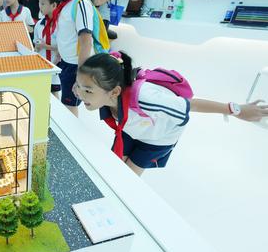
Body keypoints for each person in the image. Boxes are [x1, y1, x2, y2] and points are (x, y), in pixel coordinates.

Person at [74, 51, 268, 176]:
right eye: (79, 86)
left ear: (115, 91)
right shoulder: (106, 96)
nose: (80, 94)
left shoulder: (146, 98)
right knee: (114, 170)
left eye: (88, 90)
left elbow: (190, 105)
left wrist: (238, 110)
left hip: (156, 139)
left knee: (127, 177)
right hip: (130, 128)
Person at [50, 0, 97, 117]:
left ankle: (72, 139)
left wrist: (80, 76)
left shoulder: (81, 3)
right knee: (66, 103)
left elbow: (86, 42)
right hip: (67, 62)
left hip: (76, 66)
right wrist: (59, 55)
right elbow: (66, 34)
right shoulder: (66, 0)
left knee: (69, 108)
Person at [33, 0, 61, 98]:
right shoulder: (39, 24)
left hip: (56, 67)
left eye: (43, 3)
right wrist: (37, 48)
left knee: (55, 97)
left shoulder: (61, 24)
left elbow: (62, 48)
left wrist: (45, 46)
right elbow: (36, 45)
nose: (40, 6)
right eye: (39, 2)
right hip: (41, 68)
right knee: (41, 96)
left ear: (54, 5)